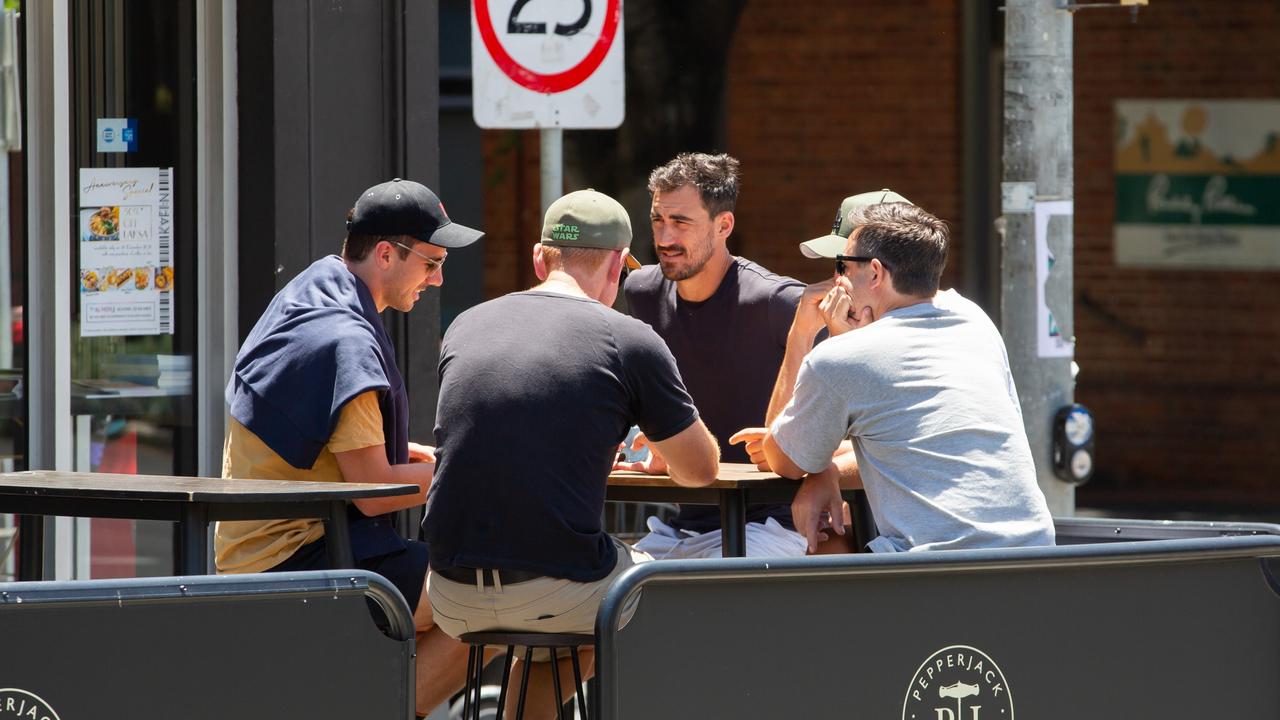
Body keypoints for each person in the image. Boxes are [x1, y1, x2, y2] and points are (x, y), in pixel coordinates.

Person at [425, 189, 720, 719]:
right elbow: (700, 471)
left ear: (540, 259)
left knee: (557, 628)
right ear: (616, 264)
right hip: (554, 589)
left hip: (448, 590)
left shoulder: (466, 324)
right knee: (668, 589)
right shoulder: (629, 339)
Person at [214, 178, 482, 717]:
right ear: (386, 253)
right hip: (302, 557)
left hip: (252, 550)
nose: (439, 278)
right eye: (431, 262)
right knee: (494, 599)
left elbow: (327, 440)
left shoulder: (312, 291)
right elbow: (375, 493)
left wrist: (421, 457)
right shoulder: (346, 340)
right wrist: (472, 471)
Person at [758, 200, 1056, 553]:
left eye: (843, 266)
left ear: (875, 273)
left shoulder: (839, 359)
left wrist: (802, 335)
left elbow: (784, 461)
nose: (837, 280)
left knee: (819, 553)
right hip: (1034, 553)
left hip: (926, 570)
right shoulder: (976, 322)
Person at [619, 152, 811, 558]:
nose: (665, 238)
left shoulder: (777, 301)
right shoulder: (640, 291)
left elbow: (849, 400)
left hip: (771, 524)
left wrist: (824, 472)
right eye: (658, 220)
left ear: (724, 225)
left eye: (681, 223)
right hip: (678, 525)